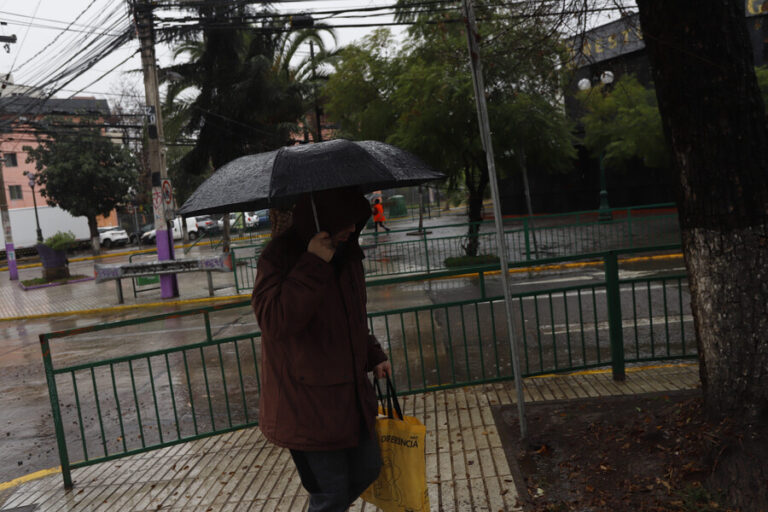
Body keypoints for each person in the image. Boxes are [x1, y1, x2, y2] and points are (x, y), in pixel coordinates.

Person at [251, 187, 392, 512]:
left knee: (368, 469)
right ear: (322, 218)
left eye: (357, 220)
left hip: (350, 397)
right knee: (330, 494)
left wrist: (373, 353)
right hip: (306, 404)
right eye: (346, 221)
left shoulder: (348, 251)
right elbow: (274, 321)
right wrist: (313, 262)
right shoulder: (279, 256)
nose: (353, 228)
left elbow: (351, 316)